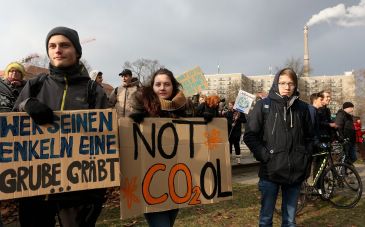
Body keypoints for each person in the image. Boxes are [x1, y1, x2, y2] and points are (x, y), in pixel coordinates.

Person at [14, 26, 108, 227]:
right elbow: (11, 126)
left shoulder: (93, 91)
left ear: (77, 51)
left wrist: (97, 194)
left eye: (65, 45)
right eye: (52, 45)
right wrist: (25, 105)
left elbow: (106, 141)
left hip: (78, 192)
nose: (58, 50)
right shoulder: (35, 85)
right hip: (35, 189)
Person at [243, 68, 313, 227]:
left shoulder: (303, 108)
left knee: (289, 221)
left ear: (295, 85)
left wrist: (304, 156)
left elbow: (310, 136)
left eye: (290, 83)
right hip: (270, 172)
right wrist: (265, 156)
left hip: (295, 172)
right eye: (282, 83)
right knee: (266, 219)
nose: (286, 87)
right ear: (276, 84)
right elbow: (250, 135)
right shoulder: (263, 105)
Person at [129, 68, 193, 227]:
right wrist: (135, 120)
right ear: (152, 87)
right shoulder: (141, 106)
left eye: (167, 84)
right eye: (158, 84)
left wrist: (206, 119)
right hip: (150, 179)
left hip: (176, 178)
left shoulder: (183, 107)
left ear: (173, 87)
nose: (162, 88)